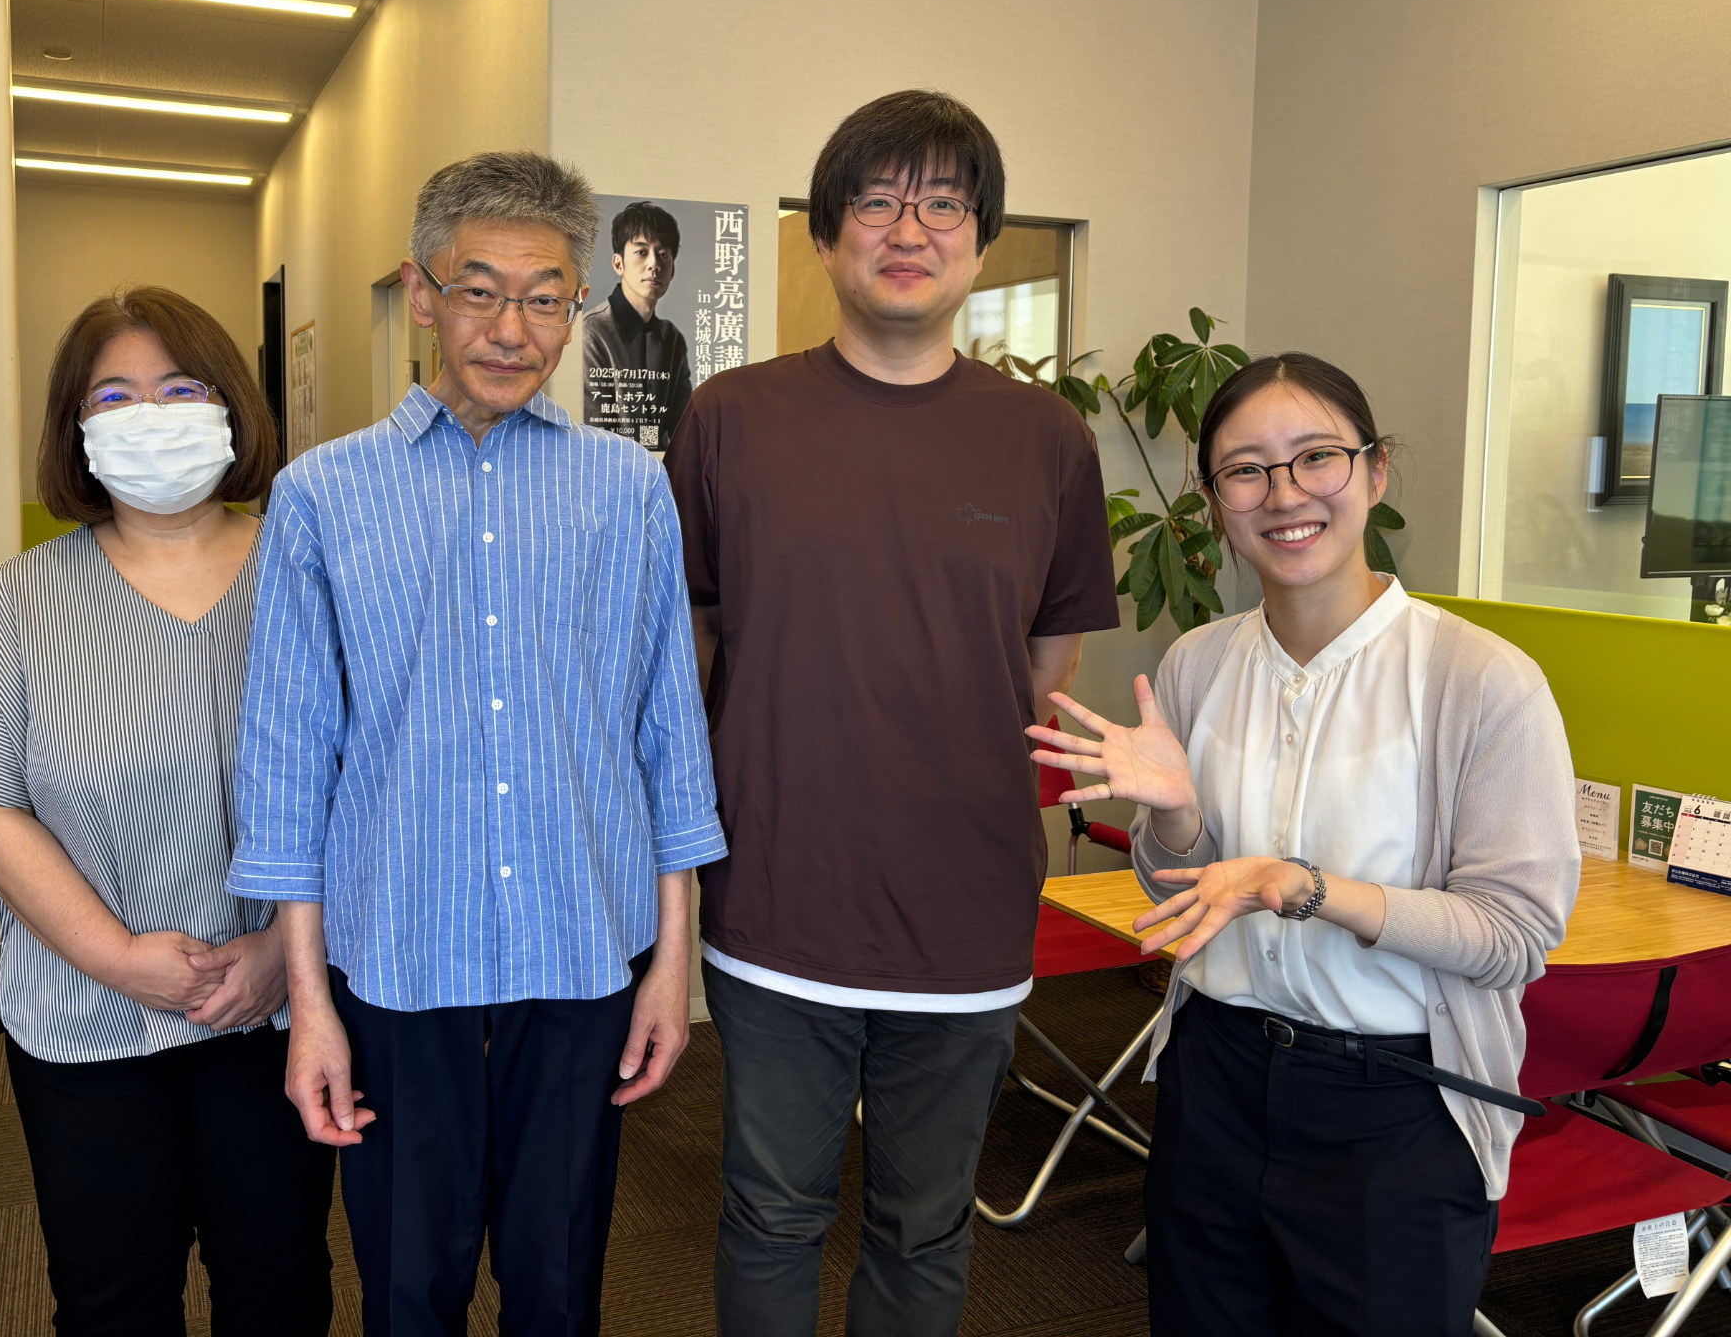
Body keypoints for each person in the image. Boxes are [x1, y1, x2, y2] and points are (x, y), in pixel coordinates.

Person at [225, 151, 726, 1337]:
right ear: (421, 292)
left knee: (560, 1282)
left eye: (544, 297)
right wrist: (308, 1004)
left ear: (577, 300)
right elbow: (289, 761)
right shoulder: (322, 496)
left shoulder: (627, 490)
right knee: (409, 1284)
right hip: (397, 954)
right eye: (480, 290)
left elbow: (668, 736)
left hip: (580, 946)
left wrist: (669, 965)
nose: (512, 329)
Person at [663, 90, 1121, 1337]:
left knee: (923, 1225)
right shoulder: (729, 419)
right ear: (823, 234)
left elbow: (1042, 665)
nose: (907, 229)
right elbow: (689, 645)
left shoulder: (1044, 440)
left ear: (979, 240)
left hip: (964, 905)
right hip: (777, 892)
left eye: (942, 205)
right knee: (770, 1211)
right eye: (873, 201)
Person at [1032, 352, 1580, 1337]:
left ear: (1374, 470)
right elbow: (1177, 888)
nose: (1284, 494)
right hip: (1214, 1077)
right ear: (1214, 502)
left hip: (1398, 1101)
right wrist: (1177, 821)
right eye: (1245, 470)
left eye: (1316, 457)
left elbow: (1512, 938)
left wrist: (1303, 887)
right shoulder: (1196, 665)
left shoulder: (1480, 681)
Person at [0, 287, 335, 1335]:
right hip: (84, 1014)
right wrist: (119, 958)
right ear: (76, 427)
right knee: (111, 1300)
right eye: (115, 395)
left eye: (180, 389)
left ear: (230, 406)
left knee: (278, 1286)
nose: (150, 416)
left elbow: (371, 791)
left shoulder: (312, 574)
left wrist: (282, 956)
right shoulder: (18, 603)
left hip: (279, 1004)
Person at [582, 199, 693, 448]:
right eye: (641, 252)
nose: (654, 264)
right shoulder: (593, 332)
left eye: (663, 254)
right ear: (618, 264)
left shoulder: (672, 338)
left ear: (672, 270)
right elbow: (594, 435)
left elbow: (683, 429)